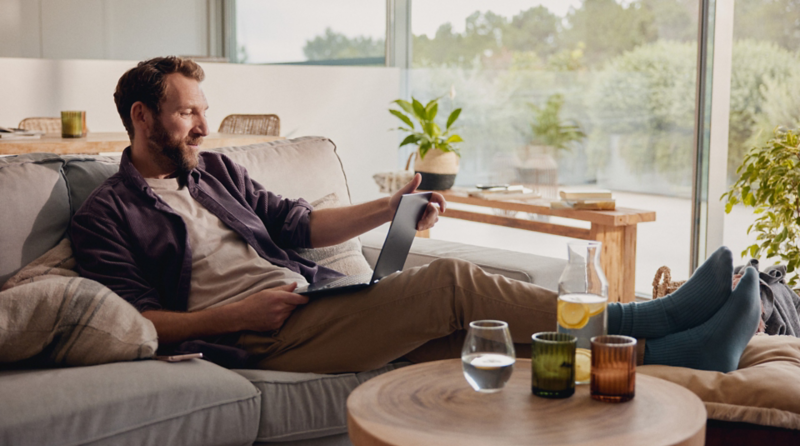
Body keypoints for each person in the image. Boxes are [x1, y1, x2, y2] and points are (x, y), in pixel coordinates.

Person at [70, 56, 761, 375]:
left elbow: (301, 225)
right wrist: (231, 319)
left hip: (313, 304)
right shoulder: (107, 213)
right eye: (188, 110)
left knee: (477, 347)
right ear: (142, 116)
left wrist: (392, 208)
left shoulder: (216, 169)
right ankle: (648, 317)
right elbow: (136, 321)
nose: (203, 123)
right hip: (256, 340)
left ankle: (672, 353)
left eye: (202, 108)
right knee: (450, 283)